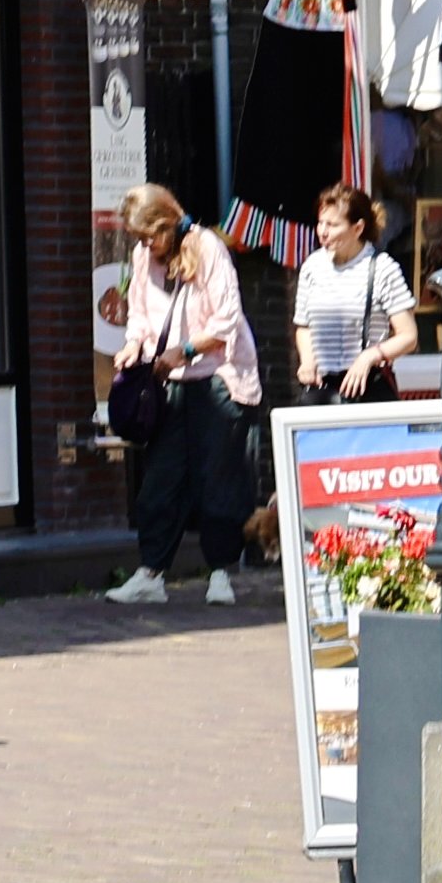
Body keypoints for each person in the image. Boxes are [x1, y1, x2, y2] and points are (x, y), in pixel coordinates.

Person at [104, 187, 263, 605]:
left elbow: (227, 320)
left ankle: (220, 574)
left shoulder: (208, 248)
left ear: (166, 225)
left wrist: (186, 350)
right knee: (161, 477)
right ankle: (151, 574)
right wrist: (132, 346)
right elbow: (140, 313)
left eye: (148, 236)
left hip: (220, 378)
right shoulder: (144, 257)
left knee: (218, 478)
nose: (143, 245)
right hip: (170, 379)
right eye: (138, 238)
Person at [294, 187, 420, 405]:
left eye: (332, 225)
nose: (322, 232)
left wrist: (369, 356)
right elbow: (304, 326)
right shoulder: (312, 267)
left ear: (357, 228)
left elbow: (408, 336)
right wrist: (307, 361)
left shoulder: (382, 268)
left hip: (366, 389)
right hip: (321, 390)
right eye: (320, 223)